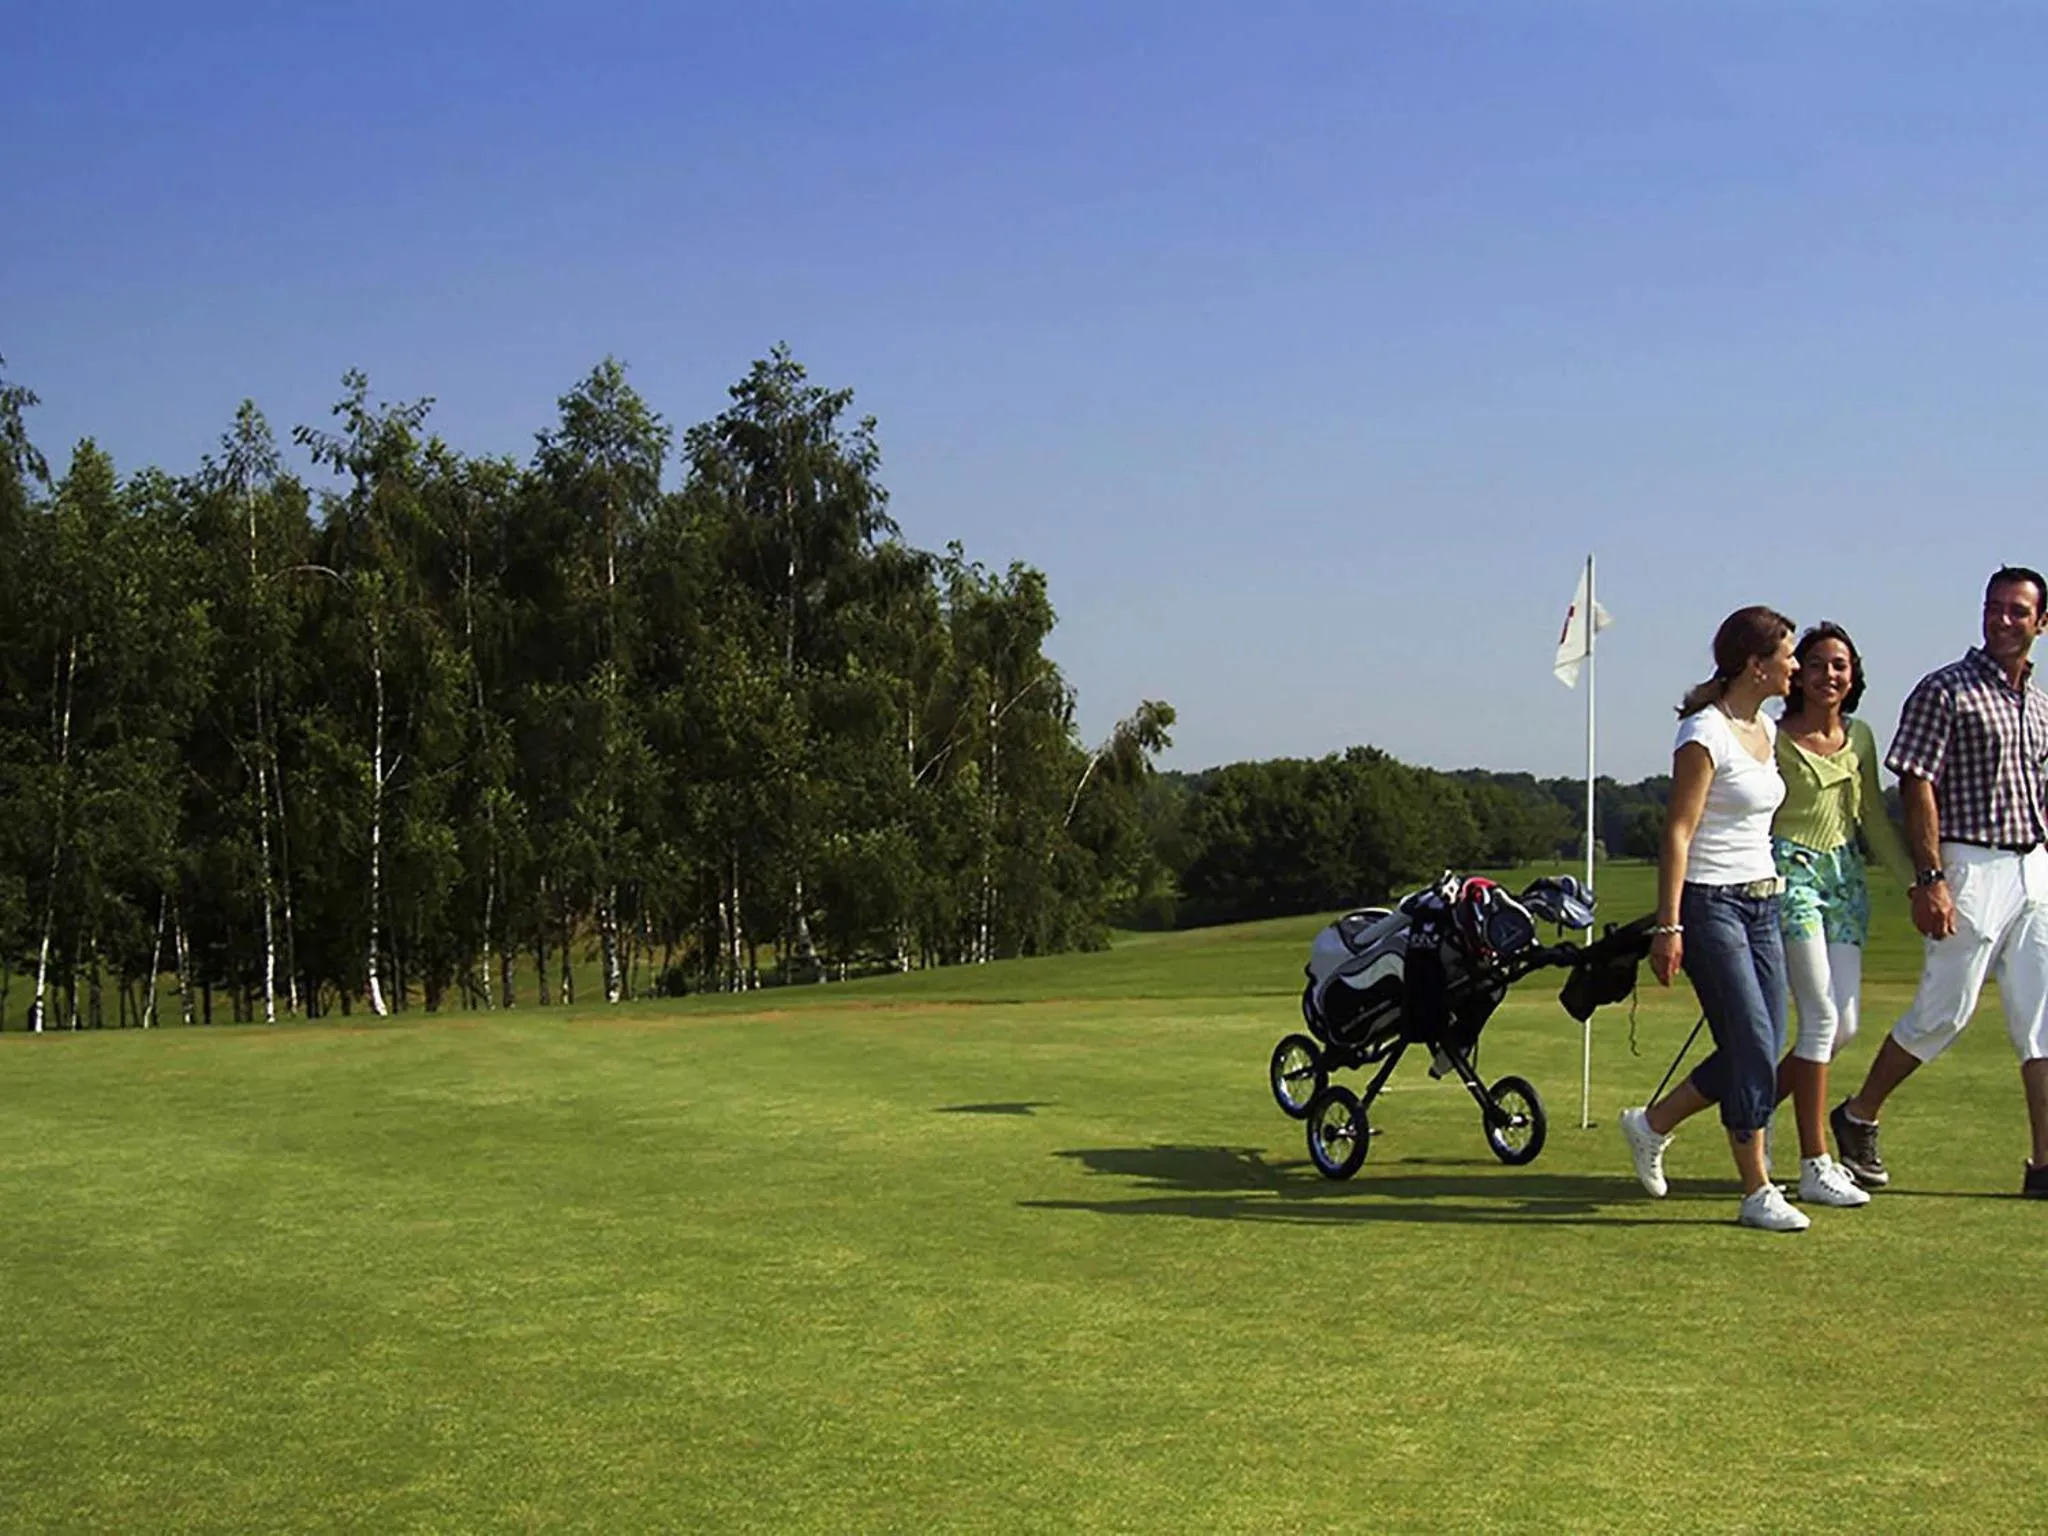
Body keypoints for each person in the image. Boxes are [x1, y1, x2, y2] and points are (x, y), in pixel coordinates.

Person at [1830, 568, 2048, 1198]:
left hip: (2032, 865)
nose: (2002, 620)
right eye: (1994, 607)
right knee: (1945, 1011)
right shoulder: (1944, 689)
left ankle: (2044, 1164)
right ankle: (1858, 1114)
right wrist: (1930, 877)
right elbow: (1917, 782)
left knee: (2041, 1020)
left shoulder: (2039, 704)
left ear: (2041, 622)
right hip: (1967, 863)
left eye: (2017, 611)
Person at [1618, 605, 1810, 1231]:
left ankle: (1652, 1124)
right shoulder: (1704, 732)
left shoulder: (1767, 729)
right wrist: (1669, 927)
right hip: (1709, 905)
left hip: (1763, 902)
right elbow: (1677, 832)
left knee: (1760, 1045)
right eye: (1788, 655)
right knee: (1752, 1044)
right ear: (1756, 665)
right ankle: (1757, 1189)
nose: (1796, 666)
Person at [1767, 622, 1910, 1206]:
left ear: (1854, 676)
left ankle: (1751, 1109)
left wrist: (1918, 883)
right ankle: (1814, 1161)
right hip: (1789, 877)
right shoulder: (1772, 737)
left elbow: (1873, 816)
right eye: (1818, 664)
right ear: (1797, 674)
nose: (1829, 674)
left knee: (1843, 1025)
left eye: (1840, 665)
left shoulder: (1862, 737)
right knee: (1820, 1016)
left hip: (1844, 882)